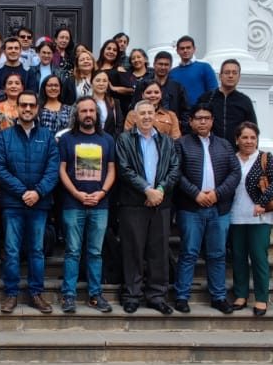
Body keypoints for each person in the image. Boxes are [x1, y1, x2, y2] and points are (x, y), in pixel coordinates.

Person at [0, 90, 60, 314]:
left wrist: (38, 192)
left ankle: (36, 293)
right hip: (13, 204)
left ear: (37, 108)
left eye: (32, 105)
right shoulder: (4, 136)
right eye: (24, 105)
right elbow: (0, 168)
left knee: (36, 251)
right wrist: (23, 192)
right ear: (17, 108)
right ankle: (11, 294)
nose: (28, 109)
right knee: (12, 251)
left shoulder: (47, 137)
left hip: (39, 204)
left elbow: (53, 169)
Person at [173, 103, 241, 314]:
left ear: (212, 121)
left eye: (207, 118)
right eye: (199, 118)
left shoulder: (224, 145)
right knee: (188, 253)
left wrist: (217, 194)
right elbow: (176, 173)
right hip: (190, 208)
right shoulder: (181, 144)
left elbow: (235, 173)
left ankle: (218, 297)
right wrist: (196, 193)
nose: (203, 121)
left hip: (219, 209)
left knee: (217, 254)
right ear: (191, 121)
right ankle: (182, 296)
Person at [115, 100, 180, 314]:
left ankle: (157, 296)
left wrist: (159, 190)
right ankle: (132, 295)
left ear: (155, 115)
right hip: (134, 203)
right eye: (142, 113)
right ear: (135, 117)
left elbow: (174, 168)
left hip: (160, 204)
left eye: (150, 113)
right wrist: (146, 190)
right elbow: (124, 169)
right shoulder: (124, 140)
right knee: (132, 250)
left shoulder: (166, 141)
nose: (146, 117)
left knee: (158, 252)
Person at [59, 97, 115, 313]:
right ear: (77, 114)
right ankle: (68, 296)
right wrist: (76, 193)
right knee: (72, 251)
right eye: (84, 111)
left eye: (92, 110)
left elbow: (112, 170)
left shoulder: (107, 139)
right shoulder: (67, 139)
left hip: (100, 205)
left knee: (95, 252)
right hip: (73, 203)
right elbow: (61, 170)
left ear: (97, 114)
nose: (88, 114)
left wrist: (102, 193)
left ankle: (95, 295)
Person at [229, 122, 272, 316]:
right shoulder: (231, 159)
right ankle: (241, 295)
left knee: (258, 257)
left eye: (253, 137)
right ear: (237, 139)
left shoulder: (265, 158)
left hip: (260, 217)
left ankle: (261, 298)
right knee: (238, 257)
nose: (249, 141)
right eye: (244, 137)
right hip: (235, 215)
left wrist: (262, 202)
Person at [198, 59, 257, 149]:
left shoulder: (245, 101)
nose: (230, 76)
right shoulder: (206, 98)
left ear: (239, 77)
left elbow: (253, 130)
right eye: (227, 72)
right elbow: (196, 123)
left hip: (237, 152)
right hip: (209, 150)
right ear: (220, 76)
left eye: (234, 73)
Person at [135, 51, 189, 132]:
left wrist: (181, 126)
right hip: (144, 129)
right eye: (160, 64)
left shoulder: (177, 87)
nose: (163, 67)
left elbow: (185, 111)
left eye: (166, 65)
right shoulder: (142, 84)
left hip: (171, 129)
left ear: (170, 66)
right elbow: (135, 106)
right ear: (154, 64)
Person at [169, 35, 218, 106]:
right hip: (179, 111)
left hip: (200, 111)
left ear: (194, 49)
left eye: (188, 48)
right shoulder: (172, 73)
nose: (185, 50)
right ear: (177, 51)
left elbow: (213, 91)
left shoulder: (205, 67)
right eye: (182, 48)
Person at [0, 73, 24, 137]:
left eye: (17, 83)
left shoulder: (28, 107)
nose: (13, 86)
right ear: (4, 89)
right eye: (10, 83)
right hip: (2, 142)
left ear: (22, 88)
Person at [91, 70, 123, 138]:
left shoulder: (114, 102)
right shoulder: (84, 102)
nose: (101, 83)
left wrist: (111, 140)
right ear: (91, 83)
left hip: (109, 140)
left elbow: (119, 126)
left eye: (104, 81)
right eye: (98, 80)